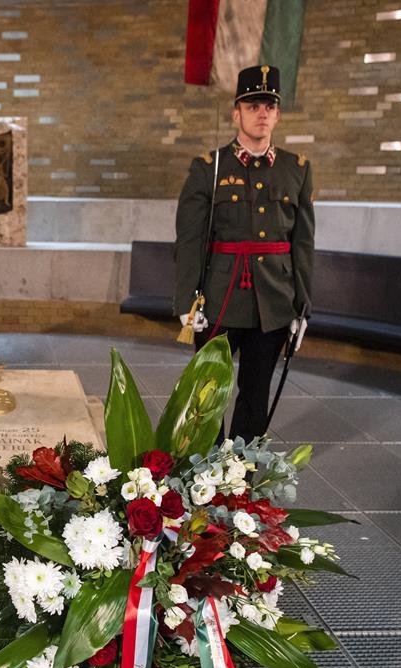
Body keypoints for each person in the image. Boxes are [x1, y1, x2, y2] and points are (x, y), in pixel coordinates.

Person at [173, 64, 314, 442]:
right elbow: (189, 240)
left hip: (274, 301)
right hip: (219, 298)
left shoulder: (297, 170)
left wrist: (303, 306)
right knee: (207, 392)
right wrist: (187, 300)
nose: (262, 113)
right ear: (236, 113)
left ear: (278, 115)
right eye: (253, 106)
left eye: (270, 106)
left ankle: (242, 470)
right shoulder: (209, 168)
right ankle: (206, 466)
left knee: (255, 393)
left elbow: (303, 243)